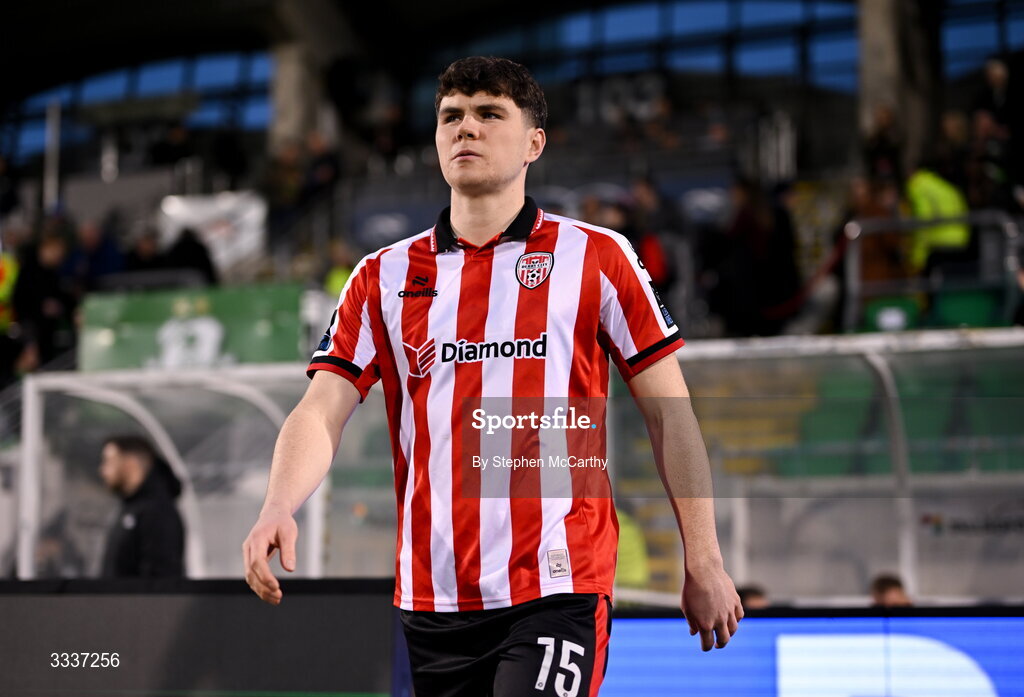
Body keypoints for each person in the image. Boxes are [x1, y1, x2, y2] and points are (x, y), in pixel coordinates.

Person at [242, 56, 741, 697]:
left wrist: (704, 557)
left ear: (534, 143)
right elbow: (320, 410)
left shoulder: (597, 256)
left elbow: (671, 413)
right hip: (432, 597)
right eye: (451, 116)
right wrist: (278, 503)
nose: (466, 128)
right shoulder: (381, 276)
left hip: (559, 581)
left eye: (489, 114)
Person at [98, 435, 185, 578]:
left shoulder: (158, 512)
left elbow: (161, 578)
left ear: (131, 463)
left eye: (109, 462)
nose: (103, 470)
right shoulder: (130, 508)